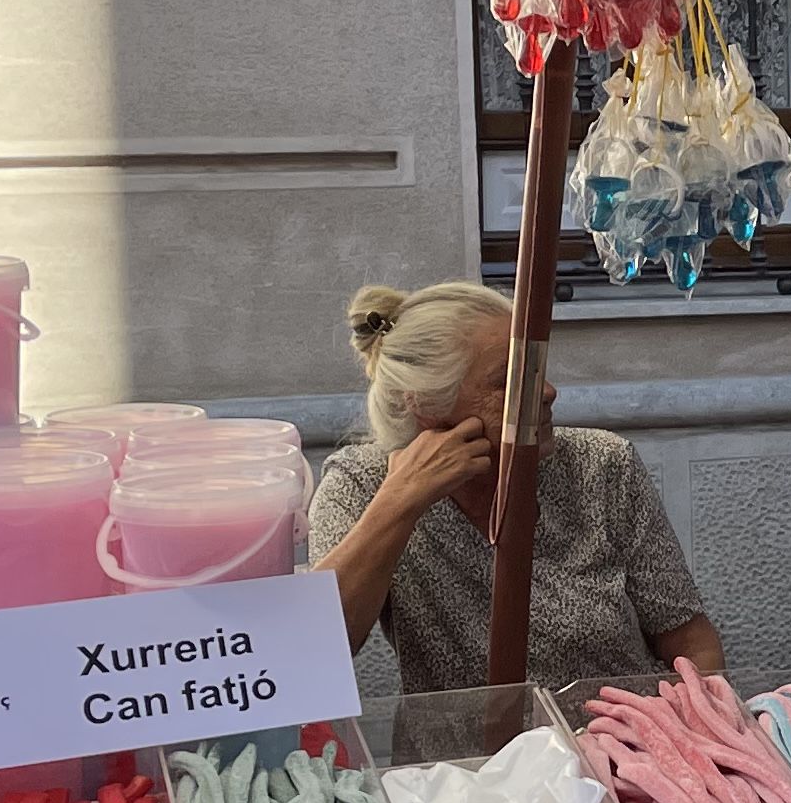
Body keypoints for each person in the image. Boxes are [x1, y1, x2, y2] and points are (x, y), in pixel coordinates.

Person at [307, 281, 723, 697]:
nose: (546, 392)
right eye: (507, 381)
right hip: (472, 760)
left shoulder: (600, 464)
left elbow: (689, 641)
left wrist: (699, 737)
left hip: (619, 745)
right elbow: (316, 648)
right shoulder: (362, 483)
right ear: (426, 405)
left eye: (537, 371)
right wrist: (401, 500)